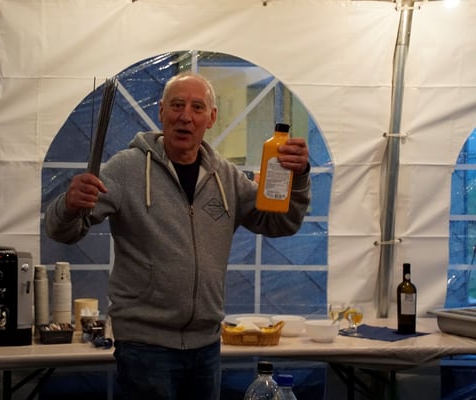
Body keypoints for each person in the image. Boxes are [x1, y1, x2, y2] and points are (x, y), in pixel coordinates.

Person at [44, 72, 311, 400]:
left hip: (206, 346)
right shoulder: (126, 169)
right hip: (144, 347)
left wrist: (299, 178)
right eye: (177, 105)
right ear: (161, 111)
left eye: (197, 107)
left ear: (211, 118)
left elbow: (280, 224)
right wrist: (69, 205)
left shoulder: (226, 176)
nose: (186, 116)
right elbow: (63, 230)